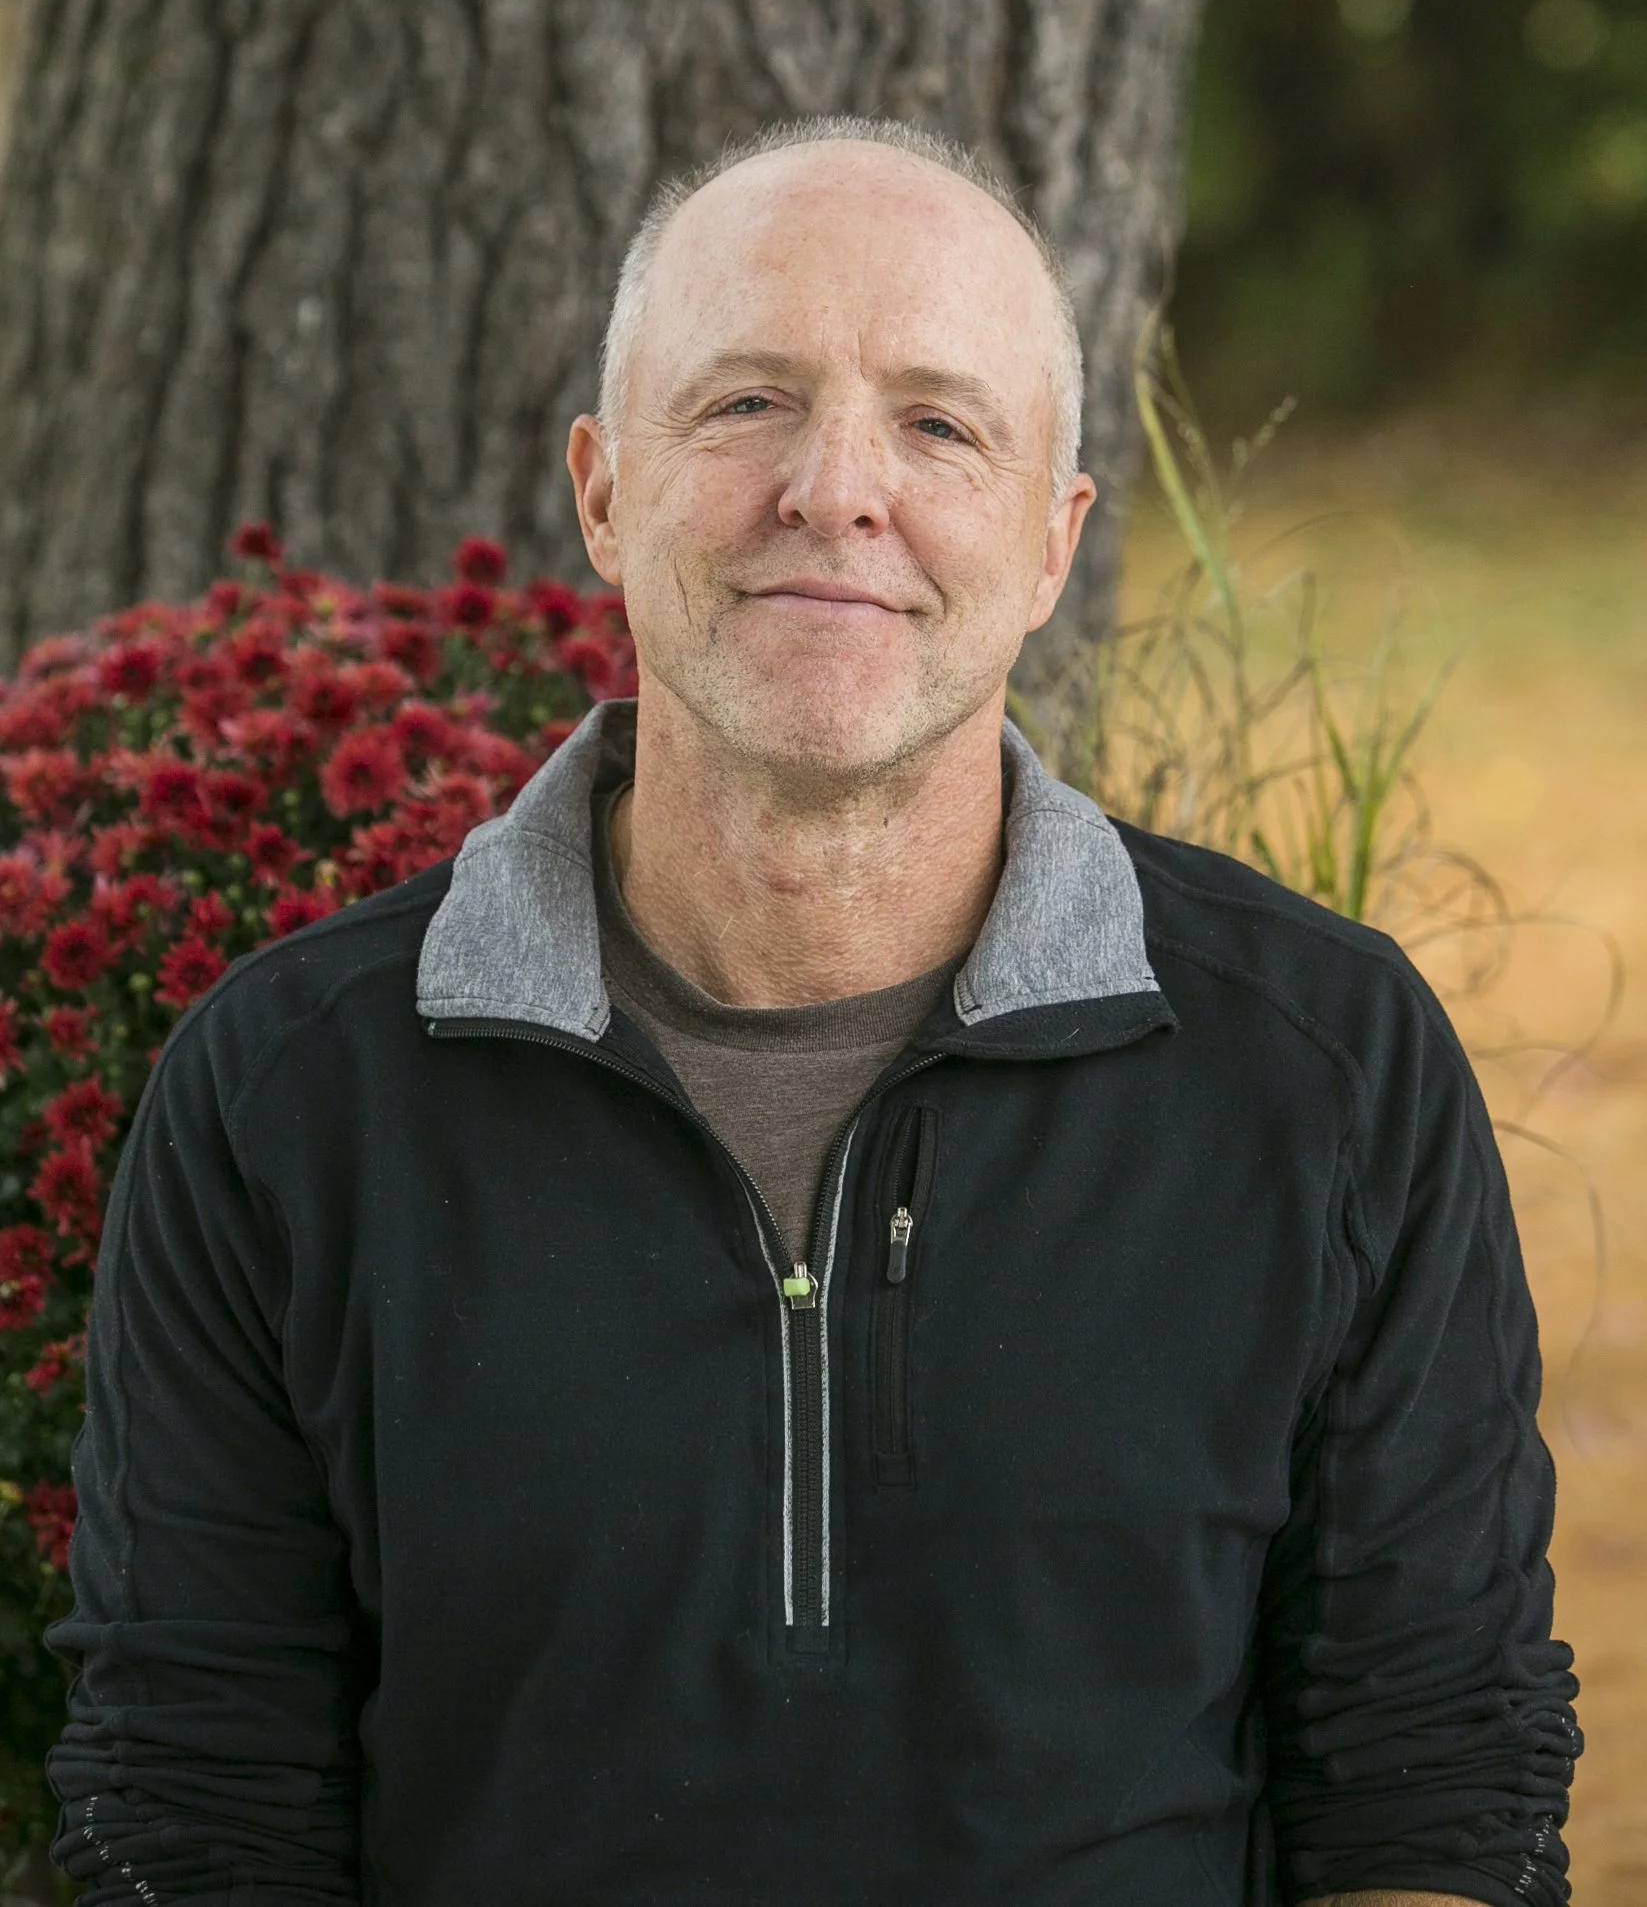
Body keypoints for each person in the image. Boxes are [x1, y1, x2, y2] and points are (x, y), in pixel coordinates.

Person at [46, 118, 1579, 1906]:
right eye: (745, 404)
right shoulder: (285, 1093)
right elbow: (194, 1792)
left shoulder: (1327, 1071)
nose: (834, 488)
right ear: (602, 491)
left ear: (1050, 540)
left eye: (939, 424)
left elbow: (1431, 1774)